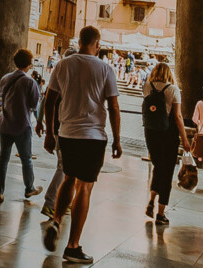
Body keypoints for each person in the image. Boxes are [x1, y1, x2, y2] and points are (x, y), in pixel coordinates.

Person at [40, 25, 122, 265]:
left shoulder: (62, 65)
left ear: (79, 41)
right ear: (97, 44)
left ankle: (56, 220)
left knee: (68, 178)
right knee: (85, 188)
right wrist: (117, 139)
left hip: (67, 134)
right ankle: (73, 246)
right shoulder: (105, 68)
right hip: (93, 136)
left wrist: (49, 132)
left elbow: (49, 101)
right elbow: (114, 107)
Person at [141, 61, 189, 225]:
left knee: (158, 166)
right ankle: (161, 213)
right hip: (168, 134)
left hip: (150, 132)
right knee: (167, 171)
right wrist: (185, 139)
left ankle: (151, 200)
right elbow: (177, 117)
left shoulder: (147, 86)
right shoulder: (173, 90)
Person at [0, 48, 42, 203]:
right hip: (22, 125)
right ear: (28, 64)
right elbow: (34, 104)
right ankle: (29, 188)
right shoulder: (30, 82)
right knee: (26, 158)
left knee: (3, 158)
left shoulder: (5, 79)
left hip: (6, 123)